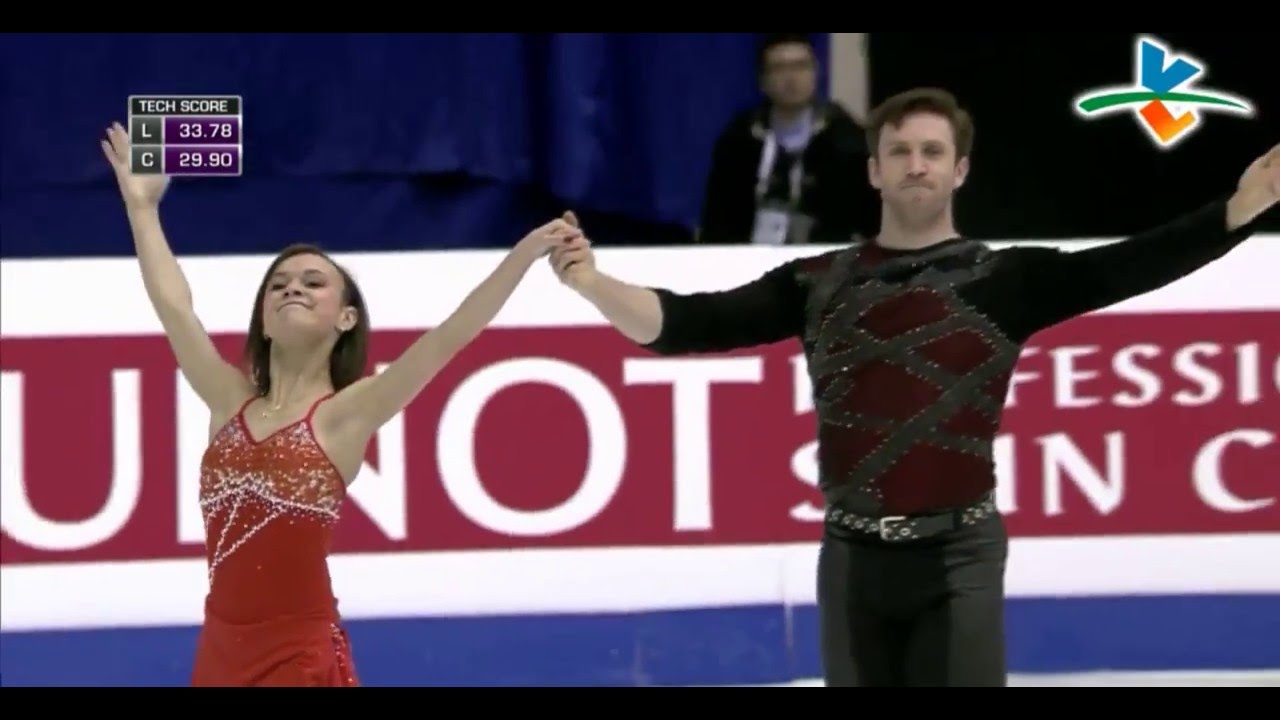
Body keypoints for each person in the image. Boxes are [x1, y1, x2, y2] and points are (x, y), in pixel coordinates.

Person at [547, 88, 1280, 687]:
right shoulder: (816, 284)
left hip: (958, 557)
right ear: (874, 170)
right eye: (900, 151)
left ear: (960, 170)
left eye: (932, 152)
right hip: (851, 559)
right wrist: (591, 283)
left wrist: (1238, 210)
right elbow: (686, 324)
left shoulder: (1007, 280)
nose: (916, 165)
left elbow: (1129, 265)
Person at [99, 122, 581, 687]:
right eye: (279, 284)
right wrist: (142, 208)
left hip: (298, 653)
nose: (292, 288)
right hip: (221, 651)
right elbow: (175, 308)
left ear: (346, 318)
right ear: (264, 321)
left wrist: (525, 252)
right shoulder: (229, 401)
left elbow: (449, 336)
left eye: (313, 283)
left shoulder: (344, 416)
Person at [697, 33, 878, 246]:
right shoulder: (739, 140)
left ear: (816, 73)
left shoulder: (846, 139)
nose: (791, 78)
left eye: (801, 66)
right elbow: (717, 222)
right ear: (762, 80)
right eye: (779, 68)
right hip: (750, 254)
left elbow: (868, 220)